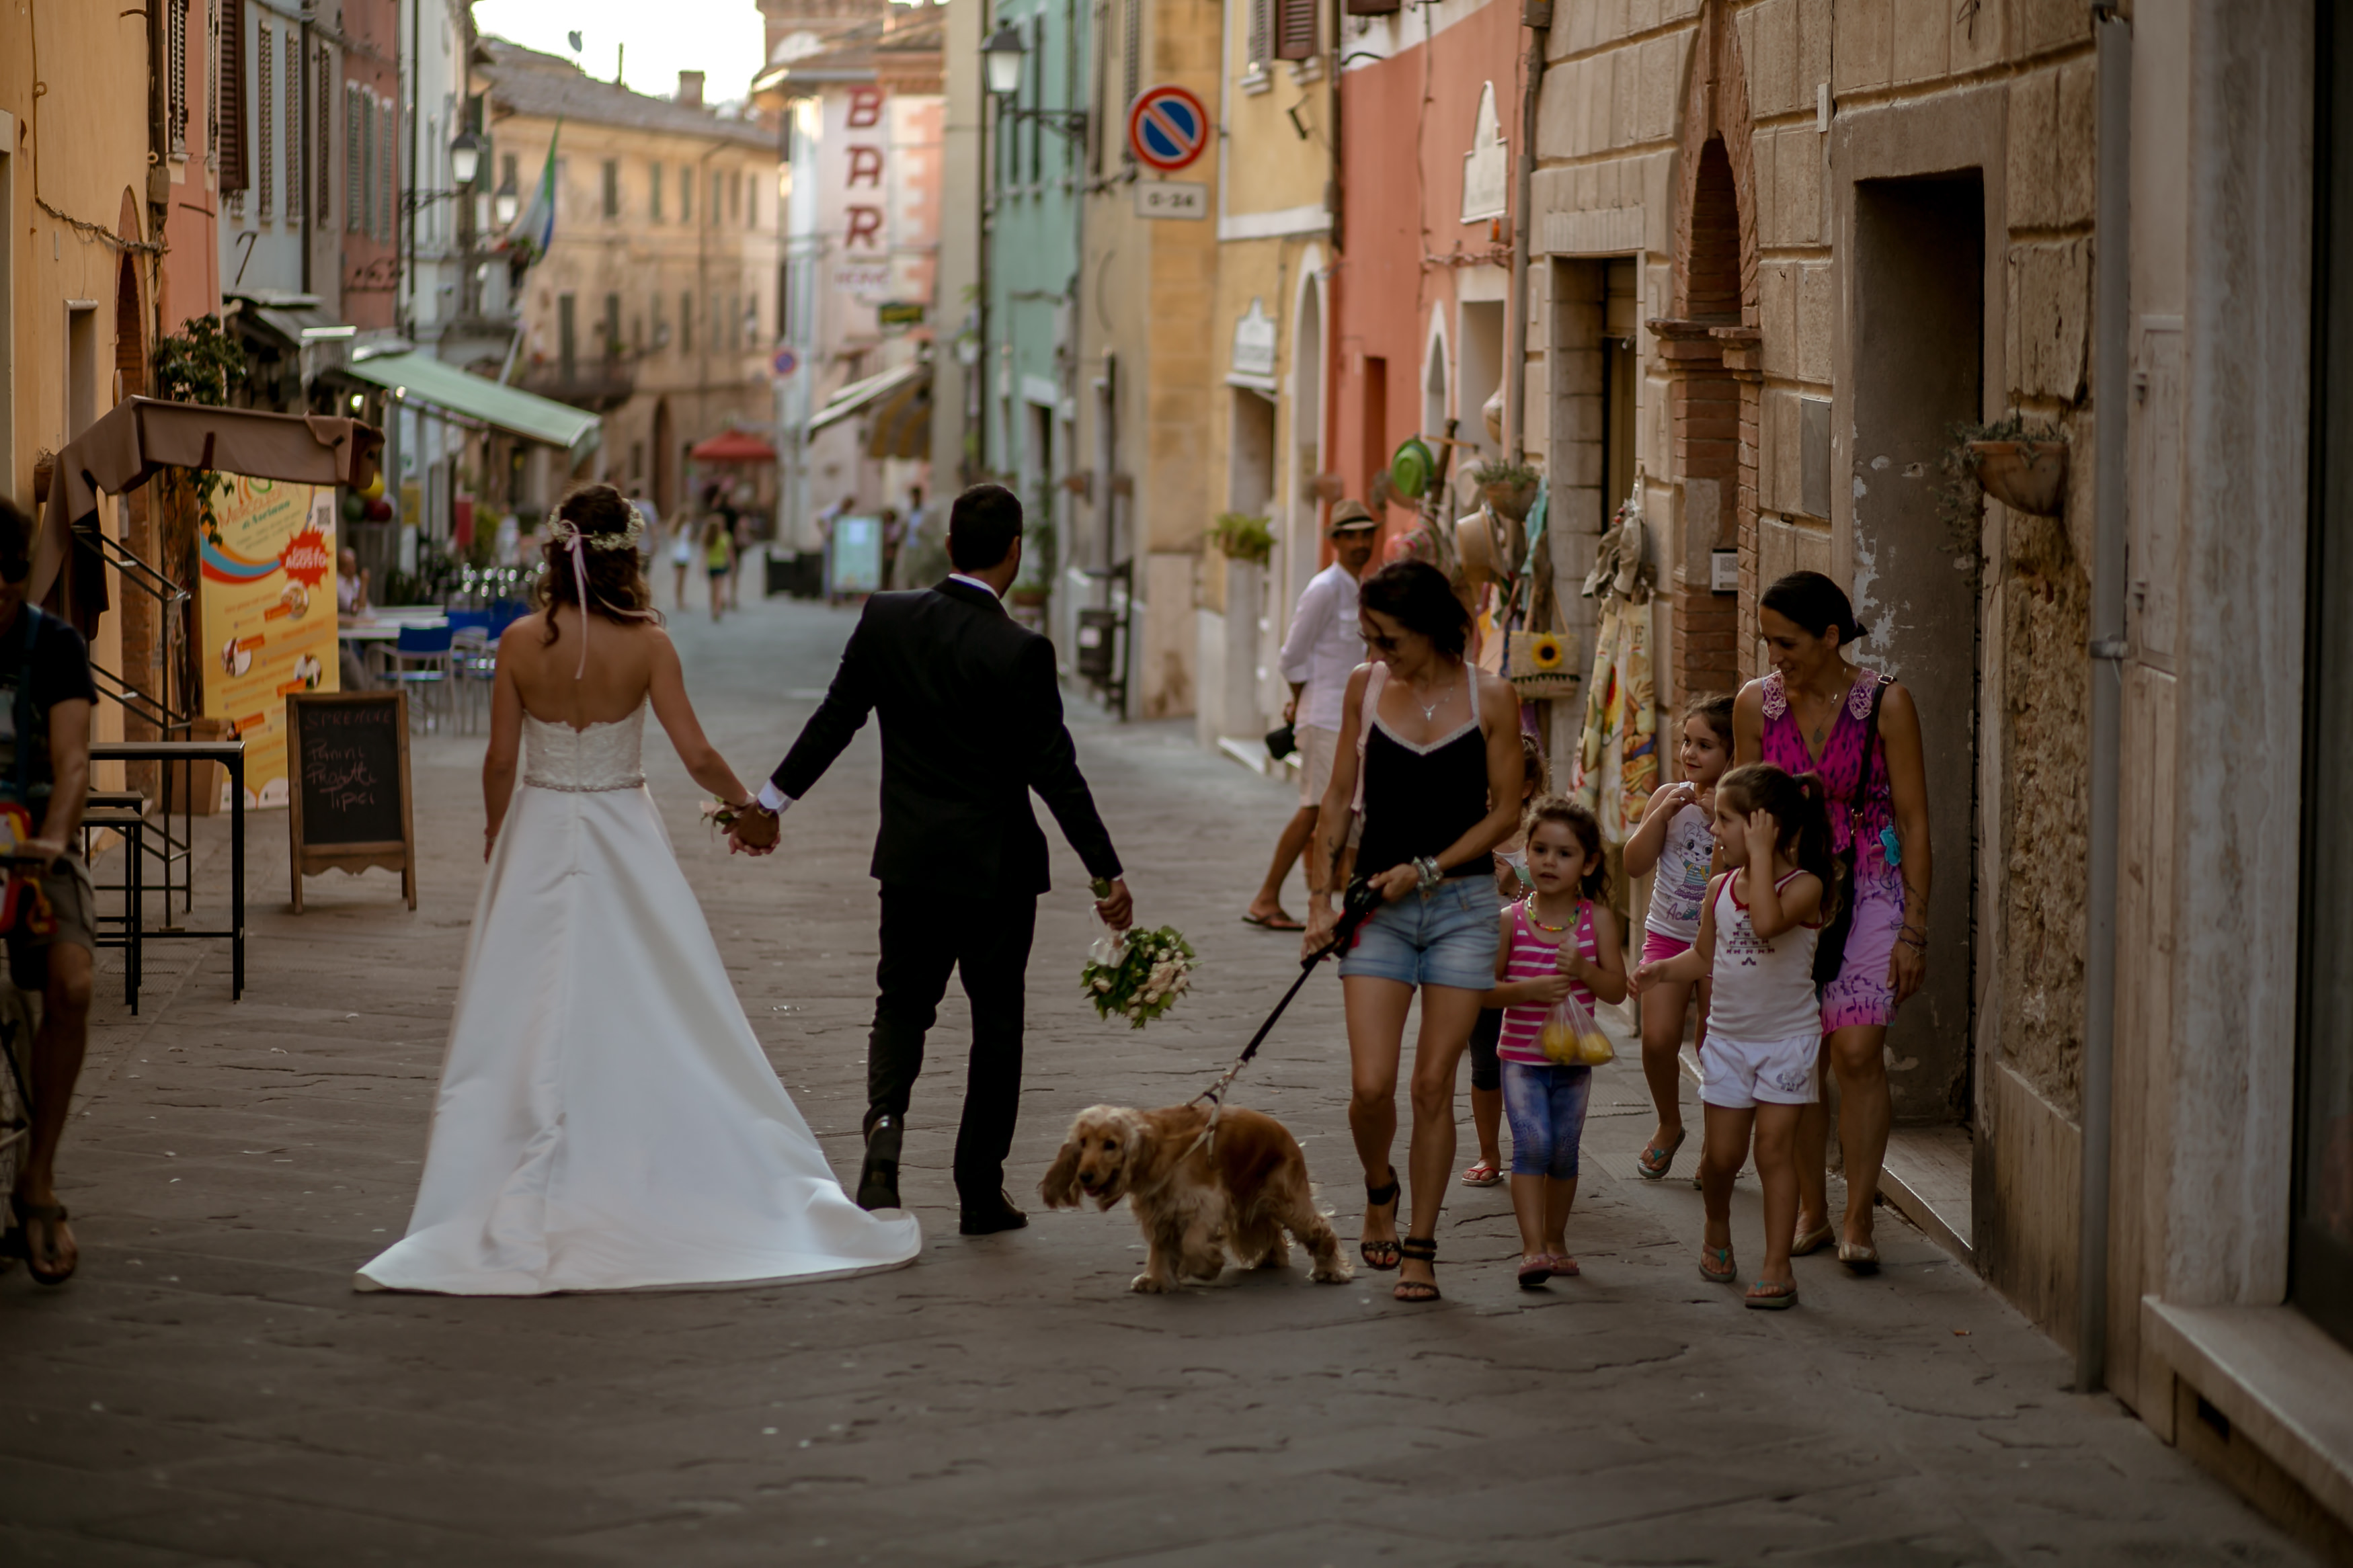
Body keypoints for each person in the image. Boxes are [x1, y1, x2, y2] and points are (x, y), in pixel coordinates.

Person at [356, 485, 920, 1294]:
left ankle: (509, 1162)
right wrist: (750, 807)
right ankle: (642, 1153)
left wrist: (493, 829)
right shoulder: (650, 645)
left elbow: (499, 760)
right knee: (653, 993)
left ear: (556, 550)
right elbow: (693, 752)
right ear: (627, 556)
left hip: (540, 829)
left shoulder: (518, 642)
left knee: (523, 1006)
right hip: (623, 828)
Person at [726, 484, 1133, 1236]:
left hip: (911, 864)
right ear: (1016, 550)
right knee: (997, 1025)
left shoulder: (885, 620)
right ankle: (979, 1189)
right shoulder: (1021, 650)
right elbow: (1055, 770)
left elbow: (834, 720)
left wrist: (768, 803)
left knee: (901, 1008)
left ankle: (883, 1142)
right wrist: (1105, 872)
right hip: (997, 873)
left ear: (947, 546)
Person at [1304, 559, 1524, 1304]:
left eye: (1388, 637)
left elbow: (1505, 813)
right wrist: (1315, 902)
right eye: (1369, 636)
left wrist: (1427, 868)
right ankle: (1378, 1186)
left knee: (1433, 1085)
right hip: (1377, 909)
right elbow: (1337, 798)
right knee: (1371, 1085)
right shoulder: (1365, 687)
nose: (1377, 649)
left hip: (1460, 907)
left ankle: (1422, 1247)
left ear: (1430, 629)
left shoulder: (1489, 696)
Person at [1733, 571, 1930, 1272]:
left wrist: (1913, 926)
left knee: (1855, 1051)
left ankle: (1857, 1217)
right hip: (1789, 889)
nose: (1773, 655)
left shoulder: (1885, 703)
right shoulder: (1755, 706)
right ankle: (1811, 1212)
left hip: (1870, 887)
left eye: (1785, 641)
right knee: (1799, 1056)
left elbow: (1911, 818)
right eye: (1765, 641)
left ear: (1827, 635)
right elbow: (1743, 809)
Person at [1634, 763, 1830, 1309]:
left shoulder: (1806, 886)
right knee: (1721, 1158)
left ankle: (1776, 1266)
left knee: (1773, 1152)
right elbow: (1702, 955)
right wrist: (1660, 972)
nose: (1713, 831)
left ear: (1765, 827)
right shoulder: (1718, 888)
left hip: (1788, 1041)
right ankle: (1716, 1226)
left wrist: (1765, 855)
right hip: (1728, 1043)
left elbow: (1766, 922)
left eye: (1725, 819)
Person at [0, 499, 95, 1286]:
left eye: (6, 582)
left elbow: (73, 765)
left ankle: (39, 1171)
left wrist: (54, 840)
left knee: (73, 983)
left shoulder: (57, 645)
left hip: (36, 844)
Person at [1481, 797, 1624, 1287]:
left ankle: (1558, 1239)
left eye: (1563, 853)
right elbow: (1484, 992)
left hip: (1573, 1059)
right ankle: (1532, 1248)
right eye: (1539, 849)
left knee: (1564, 1150)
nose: (1548, 861)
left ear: (1589, 863)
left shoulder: (1598, 921)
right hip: (1520, 1058)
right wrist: (1528, 991)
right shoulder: (1510, 921)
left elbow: (1617, 990)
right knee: (1533, 1144)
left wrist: (1584, 970)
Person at [1244, 501, 1380, 932]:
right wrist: (1299, 700)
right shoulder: (1324, 588)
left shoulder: (1359, 587)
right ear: (1334, 540)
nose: (1360, 543)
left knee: (1332, 808)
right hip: (1324, 715)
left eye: (1366, 534)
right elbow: (1291, 657)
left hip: (1345, 716)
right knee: (1318, 808)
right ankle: (1270, 897)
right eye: (1350, 535)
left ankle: (1334, 899)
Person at [1619, 692, 1734, 1181]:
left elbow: (1727, 876)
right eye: (1687, 742)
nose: (1690, 753)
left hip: (1726, 944)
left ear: (1733, 753)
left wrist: (1718, 820)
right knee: (1660, 1037)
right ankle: (1670, 1123)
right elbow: (1633, 863)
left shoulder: (1740, 808)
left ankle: (1715, 1144)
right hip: (1668, 935)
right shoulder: (1668, 795)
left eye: (1704, 745)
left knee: (1714, 1044)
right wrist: (1662, 813)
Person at [1462, 730, 1548, 1189]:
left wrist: (1515, 887)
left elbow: (1564, 903)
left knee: (1534, 1062)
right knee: (1485, 1064)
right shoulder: (1469, 833)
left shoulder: (1543, 835)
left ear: (1528, 785)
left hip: (1536, 964)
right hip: (1481, 964)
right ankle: (1489, 1153)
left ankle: (1533, 1148)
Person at [335, 546, 374, 692]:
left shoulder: (355, 580)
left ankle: (379, 691)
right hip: (350, 640)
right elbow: (359, 609)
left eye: (353, 564)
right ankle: (369, 692)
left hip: (363, 635)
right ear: (340, 567)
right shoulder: (338, 584)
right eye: (348, 565)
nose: (352, 569)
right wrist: (364, 584)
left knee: (378, 651)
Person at [702, 517, 731, 622]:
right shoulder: (724, 538)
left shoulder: (708, 538)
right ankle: (717, 611)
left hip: (711, 566)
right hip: (720, 565)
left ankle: (713, 608)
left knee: (712, 590)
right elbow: (728, 553)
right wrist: (731, 564)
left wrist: (702, 567)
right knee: (719, 589)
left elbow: (704, 554)